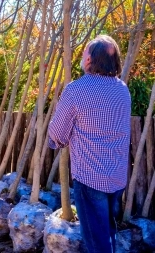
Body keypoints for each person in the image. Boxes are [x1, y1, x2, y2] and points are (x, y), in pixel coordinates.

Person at [48, 35, 131, 253]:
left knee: (97, 243)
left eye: (85, 52)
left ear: (89, 60)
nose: (82, 57)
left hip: (90, 177)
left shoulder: (76, 90)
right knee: (108, 234)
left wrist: (58, 141)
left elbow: (57, 134)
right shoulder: (123, 90)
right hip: (117, 177)